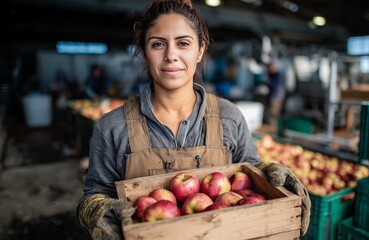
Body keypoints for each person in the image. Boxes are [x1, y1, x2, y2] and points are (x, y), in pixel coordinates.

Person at [76, 0, 311, 239]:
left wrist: (269, 172)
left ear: (200, 51)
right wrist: (98, 210)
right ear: (145, 52)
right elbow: (95, 194)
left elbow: (250, 173)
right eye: (157, 44)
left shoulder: (229, 117)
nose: (171, 55)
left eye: (183, 43)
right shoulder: (113, 127)